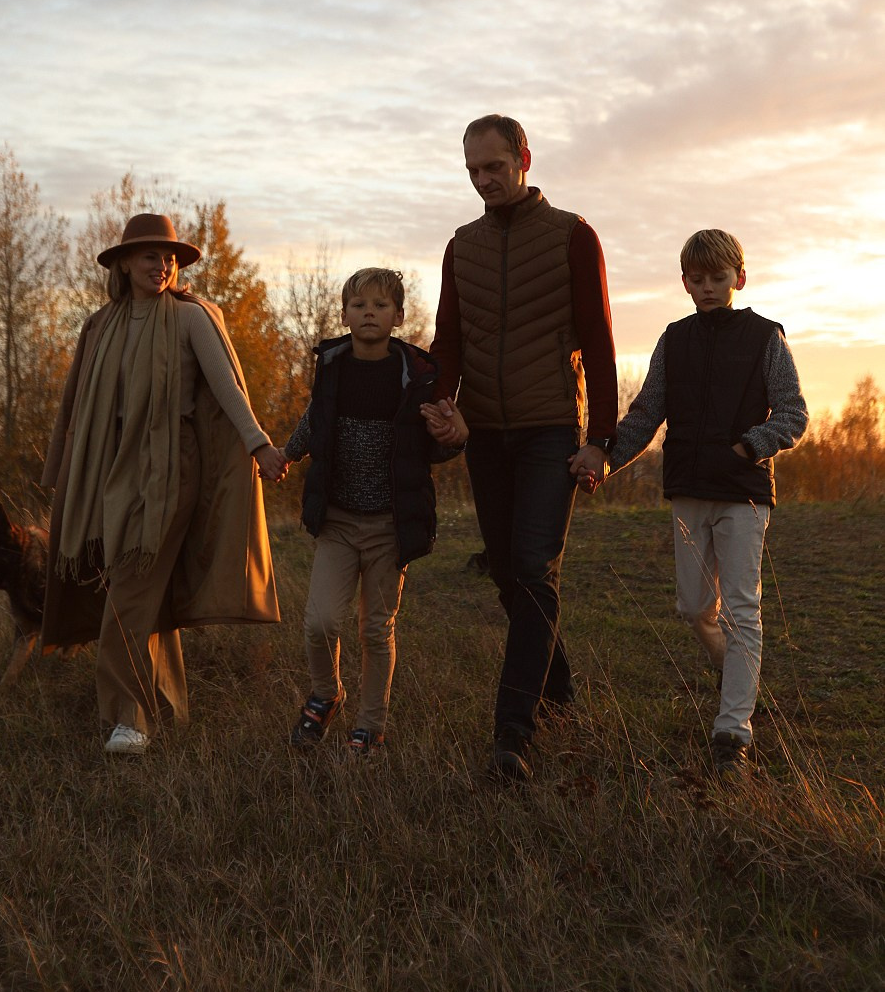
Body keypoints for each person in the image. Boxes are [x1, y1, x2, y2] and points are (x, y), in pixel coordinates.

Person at [41, 214, 285, 756]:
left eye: (169, 256)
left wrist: (258, 443)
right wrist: (65, 475)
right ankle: (170, 704)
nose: (163, 265)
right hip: (109, 466)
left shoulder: (191, 318)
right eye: (150, 255)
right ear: (125, 263)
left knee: (131, 585)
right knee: (141, 590)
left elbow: (227, 385)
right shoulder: (100, 326)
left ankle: (129, 719)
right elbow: (74, 409)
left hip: (170, 464)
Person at [428, 115, 618, 783]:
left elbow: (597, 341)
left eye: (495, 169)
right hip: (484, 434)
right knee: (508, 573)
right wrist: (443, 402)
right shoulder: (461, 246)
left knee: (535, 569)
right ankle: (559, 686)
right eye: (473, 171)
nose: (484, 182)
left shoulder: (571, 235)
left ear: (524, 160)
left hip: (548, 431)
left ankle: (512, 731)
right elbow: (446, 338)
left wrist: (599, 440)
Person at [584, 228, 808, 777]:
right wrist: (606, 460)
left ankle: (733, 728)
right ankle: (736, 675)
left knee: (742, 608)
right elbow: (645, 413)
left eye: (718, 277)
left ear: (740, 277)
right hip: (687, 490)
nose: (707, 287)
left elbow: (793, 415)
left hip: (743, 494)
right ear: (685, 282)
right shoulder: (674, 338)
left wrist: (746, 448)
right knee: (692, 607)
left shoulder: (765, 337)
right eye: (697, 278)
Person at [282, 267, 467, 757]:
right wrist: (285, 454)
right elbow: (314, 420)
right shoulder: (333, 364)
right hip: (339, 522)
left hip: (389, 525)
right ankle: (326, 695)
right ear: (344, 314)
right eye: (359, 304)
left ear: (399, 316)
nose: (369, 312)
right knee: (320, 622)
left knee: (374, 628)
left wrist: (458, 435)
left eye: (381, 305)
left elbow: (436, 447)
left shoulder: (417, 376)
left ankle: (370, 727)